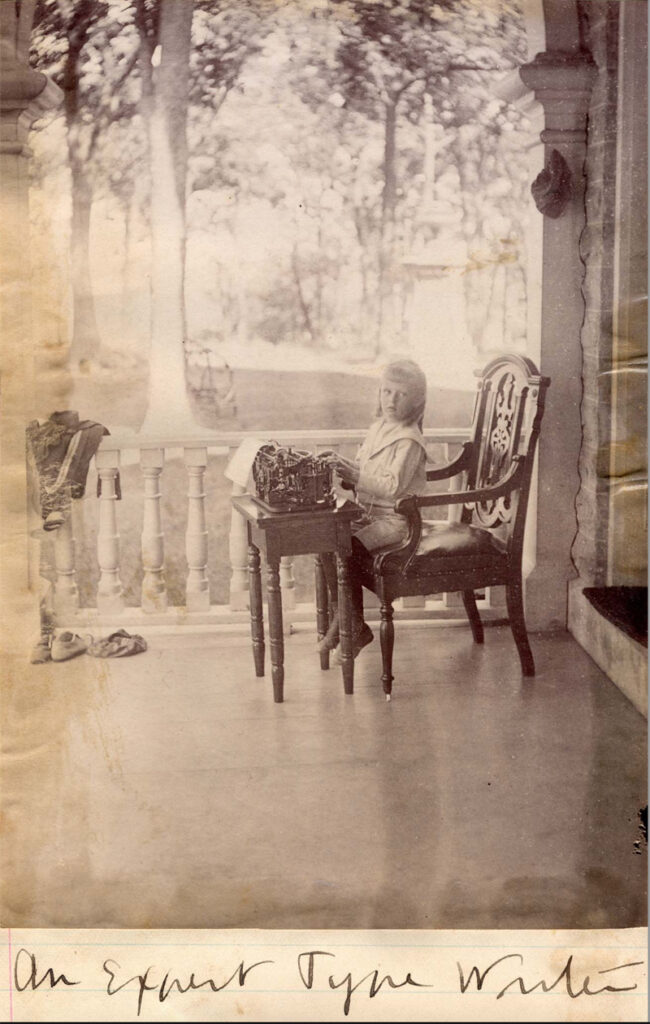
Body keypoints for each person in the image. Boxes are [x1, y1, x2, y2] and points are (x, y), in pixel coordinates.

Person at [319, 359, 429, 659]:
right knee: (327, 541)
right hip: (370, 514)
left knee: (348, 547)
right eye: (386, 391)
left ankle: (349, 624)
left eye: (401, 394)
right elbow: (367, 471)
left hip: (397, 520)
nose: (391, 400)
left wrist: (356, 475)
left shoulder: (409, 440)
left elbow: (392, 485)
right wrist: (345, 467)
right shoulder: (379, 428)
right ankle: (349, 621)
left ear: (416, 400)